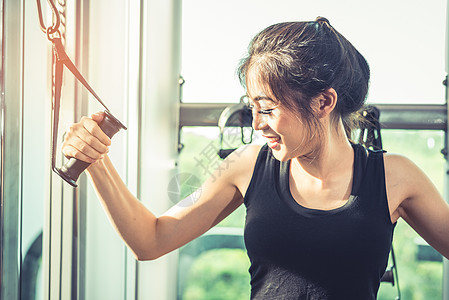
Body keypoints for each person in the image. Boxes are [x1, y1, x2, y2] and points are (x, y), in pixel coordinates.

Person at [62, 17, 449, 299]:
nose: (258, 125)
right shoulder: (246, 164)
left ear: (323, 102)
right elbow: (151, 239)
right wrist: (97, 160)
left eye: (267, 109)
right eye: (252, 109)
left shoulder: (395, 176)